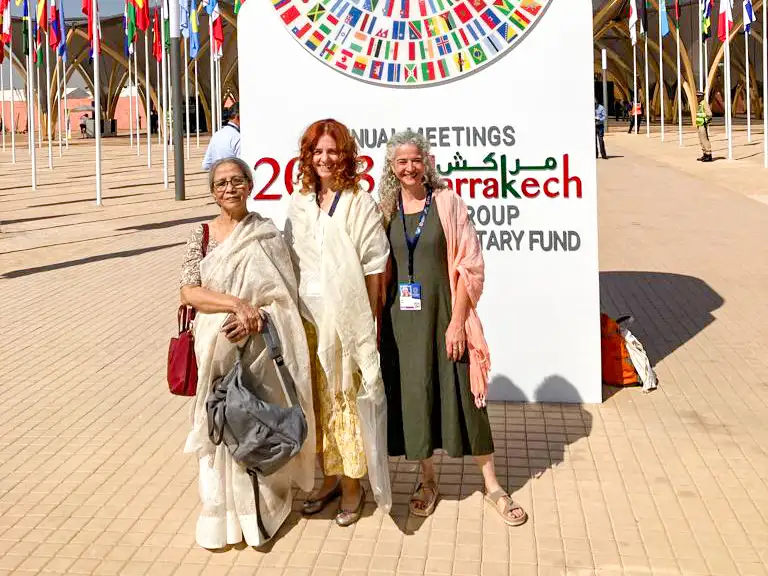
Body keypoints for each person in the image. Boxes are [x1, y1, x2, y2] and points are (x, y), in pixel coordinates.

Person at [378, 130, 528, 527]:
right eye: (401, 162)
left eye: (415, 160)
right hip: (402, 322)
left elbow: (469, 265)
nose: (409, 168)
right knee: (415, 396)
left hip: (445, 315)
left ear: (426, 162)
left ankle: (492, 484)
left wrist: (458, 322)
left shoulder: (447, 202)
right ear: (392, 169)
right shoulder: (386, 209)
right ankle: (427, 480)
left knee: (464, 396)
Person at [179, 157, 315, 549]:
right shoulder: (201, 234)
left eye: (237, 181)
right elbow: (189, 291)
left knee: (255, 422)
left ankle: (261, 515)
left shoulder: (267, 234)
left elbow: (286, 298)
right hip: (214, 348)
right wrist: (236, 305)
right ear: (212, 192)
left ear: (250, 185)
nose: (230, 189)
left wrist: (258, 318)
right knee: (219, 425)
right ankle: (221, 520)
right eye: (221, 183)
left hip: (258, 350)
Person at [284, 119, 391, 527]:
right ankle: (328, 479)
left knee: (344, 404)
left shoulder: (357, 202)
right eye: (317, 151)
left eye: (332, 151)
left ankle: (352, 488)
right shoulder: (299, 201)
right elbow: (291, 260)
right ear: (307, 157)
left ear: (345, 155)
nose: (324, 158)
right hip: (308, 322)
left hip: (345, 323)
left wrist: (366, 324)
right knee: (316, 405)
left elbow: (374, 264)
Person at [202, 103, 241, 170]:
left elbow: (206, 165)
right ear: (238, 117)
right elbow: (243, 165)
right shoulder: (238, 137)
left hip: (218, 177)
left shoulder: (216, 135)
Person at [696, 90, 713, 162]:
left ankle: (708, 154)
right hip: (699, 124)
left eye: (698, 96)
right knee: (701, 139)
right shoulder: (700, 104)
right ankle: (704, 154)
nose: (697, 98)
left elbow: (709, 114)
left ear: (702, 97)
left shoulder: (704, 103)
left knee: (704, 139)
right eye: (697, 96)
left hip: (703, 124)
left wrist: (706, 122)